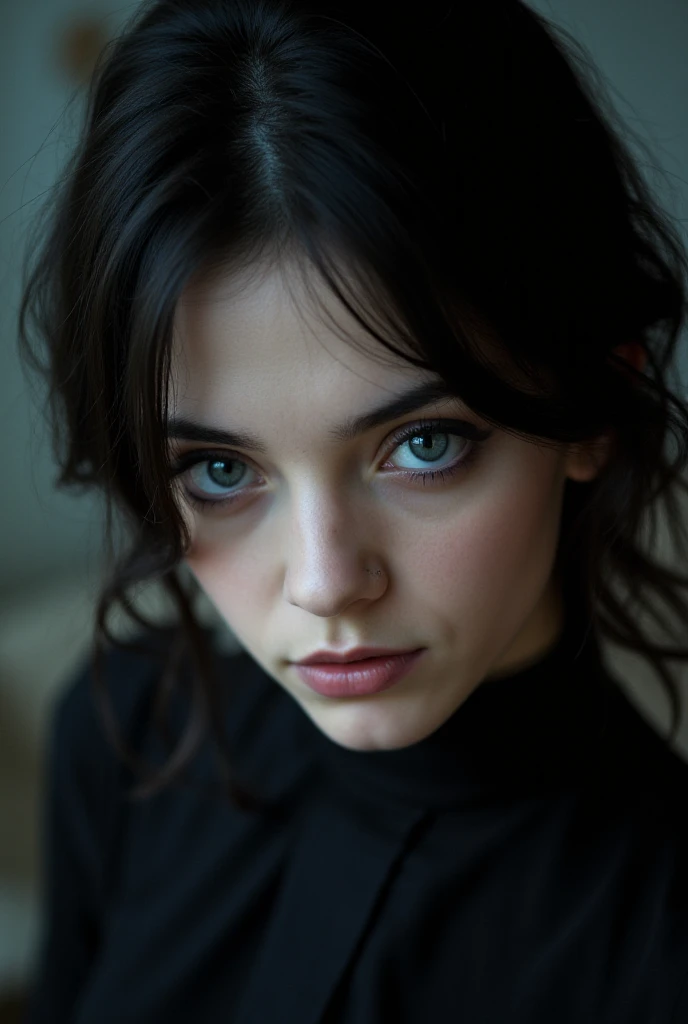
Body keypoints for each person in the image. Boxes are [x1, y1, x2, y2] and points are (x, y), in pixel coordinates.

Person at [17, 0, 688, 1020]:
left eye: (424, 445)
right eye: (217, 469)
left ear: (594, 410)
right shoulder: (123, 738)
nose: (328, 580)